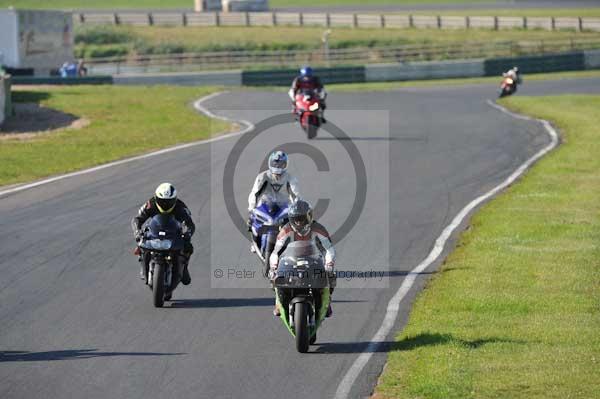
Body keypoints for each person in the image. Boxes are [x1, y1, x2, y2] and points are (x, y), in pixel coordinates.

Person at [269, 199, 336, 318]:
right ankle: (278, 303)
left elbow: (329, 249)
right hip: (291, 261)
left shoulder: (318, 228)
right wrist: (274, 267)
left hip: (314, 260)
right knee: (276, 278)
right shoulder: (285, 230)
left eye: (302, 218)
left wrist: (329, 264)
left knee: (330, 275)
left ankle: (327, 300)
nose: (299, 222)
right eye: (296, 219)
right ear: (291, 219)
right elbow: (276, 252)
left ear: (309, 217)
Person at [132, 183, 195, 297]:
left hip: (173, 234)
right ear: (156, 198)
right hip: (155, 233)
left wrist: (187, 235)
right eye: (162, 201)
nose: (165, 204)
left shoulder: (180, 207)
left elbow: (190, 224)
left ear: (174, 200)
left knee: (188, 248)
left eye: (168, 202)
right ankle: (143, 266)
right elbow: (137, 219)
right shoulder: (150, 204)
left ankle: (184, 268)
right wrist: (137, 232)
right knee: (141, 244)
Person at [247, 151, 301, 239]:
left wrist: (298, 209)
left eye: (280, 164)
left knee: (297, 229)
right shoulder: (262, 177)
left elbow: (296, 195)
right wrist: (251, 209)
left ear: (285, 165)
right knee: (252, 223)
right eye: (275, 164)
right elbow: (255, 193)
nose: (277, 167)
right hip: (265, 206)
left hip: (283, 207)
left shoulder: (290, 178)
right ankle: (254, 241)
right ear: (270, 163)